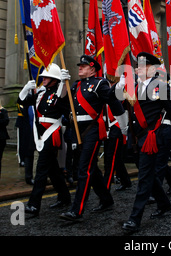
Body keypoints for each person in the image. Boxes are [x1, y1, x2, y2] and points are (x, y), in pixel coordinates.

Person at [121, 52, 171, 233]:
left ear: (153, 69)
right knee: (148, 174)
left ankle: (134, 219)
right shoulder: (134, 87)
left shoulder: (161, 87)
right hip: (139, 137)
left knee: (144, 177)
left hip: (155, 136)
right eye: (137, 66)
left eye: (142, 66)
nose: (137, 68)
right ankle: (164, 204)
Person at [60, 55, 128, 222]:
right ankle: (106, 199)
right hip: (77, 130)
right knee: (91, 169)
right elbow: (62, 103)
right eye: (79, 66)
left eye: (83, 66)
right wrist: (62, 84)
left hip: (92, 130)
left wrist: (123, 124)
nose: (80, 68)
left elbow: (112, 101)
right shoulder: (75, 85)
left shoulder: (100, 84)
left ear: (92, 68)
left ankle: (77, 210)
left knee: (84, 169)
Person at [18, 63, 72, 217]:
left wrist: (63, 83)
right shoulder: (41, 94)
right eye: (43, 77)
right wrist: (25, 89)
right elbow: (22, 102)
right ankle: (65, 196)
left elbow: (64, 103)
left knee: (41, 169)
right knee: (52, 170)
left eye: (47, 77)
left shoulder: (59, 93)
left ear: (54, 79)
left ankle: (34, 205)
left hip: (52, 134)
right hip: (40, 134)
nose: (43, 79)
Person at [15, 103, 35, 185]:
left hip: (38, 131)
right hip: (27, 130)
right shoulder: (26, 102)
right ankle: (28, 177)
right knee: (28, 154)